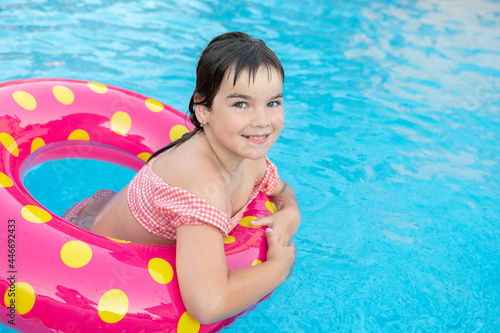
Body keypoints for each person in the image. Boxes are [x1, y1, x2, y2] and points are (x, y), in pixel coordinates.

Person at [63, 31, 300, 324]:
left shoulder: (249, 157)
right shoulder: (202, 184)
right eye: (241, 104)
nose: (263, 120)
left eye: (273, 103)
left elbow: (283, 190)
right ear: (203, 109)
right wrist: (280, 266)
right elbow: (208, 306)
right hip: (91, 260)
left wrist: (290, 212)